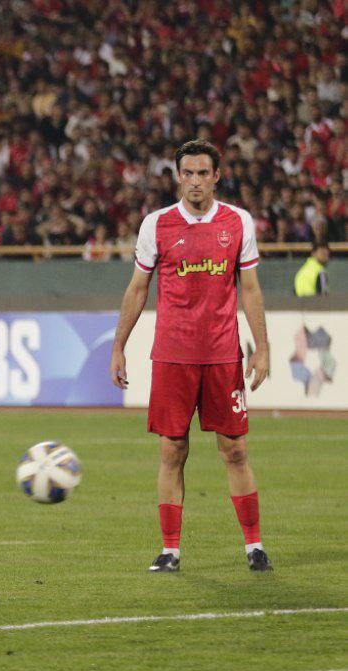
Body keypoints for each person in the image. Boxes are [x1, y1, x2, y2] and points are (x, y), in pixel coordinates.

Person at [109, 140, 272, 573]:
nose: (195, 181)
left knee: (235, 450)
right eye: (188, 173)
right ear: (178, 177)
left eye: (203, 173)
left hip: (222, 356)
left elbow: (250, 290)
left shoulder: (238, 221)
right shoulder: (156, 225)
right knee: (172, 451)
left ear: (216, 176)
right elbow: (138, 289)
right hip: (172, 357)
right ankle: (170, 551)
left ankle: (254, 546)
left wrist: (262, 348)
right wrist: (118, 346)